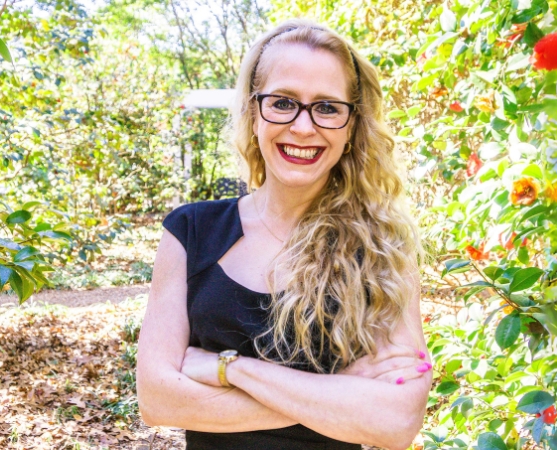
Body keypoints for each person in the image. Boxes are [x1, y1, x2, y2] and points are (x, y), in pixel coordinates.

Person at [136, 19, 430, 450]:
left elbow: (396, 421)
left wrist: (228, 369)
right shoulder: (190, 231)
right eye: (283, 102)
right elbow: (158, 399)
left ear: (350, 127)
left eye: (327, 107)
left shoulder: (381, 249)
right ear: (254, 112)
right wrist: (337, 398)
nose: (304, 127)